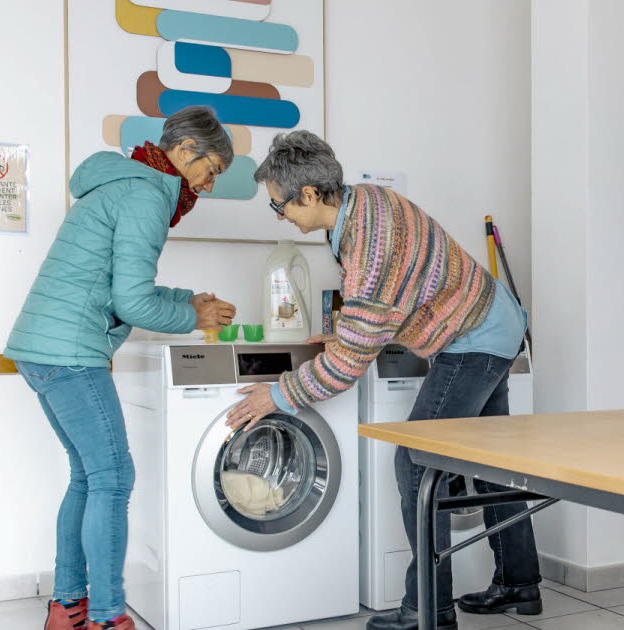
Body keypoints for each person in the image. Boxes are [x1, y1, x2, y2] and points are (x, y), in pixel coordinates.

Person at [229, 131, 540, 630]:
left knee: (417, 464)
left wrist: (279, 394)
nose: (280, 215)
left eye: (279, 205)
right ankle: (519, 584)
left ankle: (429, 610)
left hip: (473, 337)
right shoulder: (366, 202)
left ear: (308, 194)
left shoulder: (369, 246)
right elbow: (387, 304)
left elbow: (347, 367)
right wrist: (345, 334)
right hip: (493, 319)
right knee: (489, 465)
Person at [4, 106, 237, 630]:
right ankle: (109, 618)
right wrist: (192, 317)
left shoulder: (123, 182)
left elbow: (118, 286)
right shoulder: (149, 195)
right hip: (71, 350)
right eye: (212, 169)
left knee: (88, 476)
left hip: (41, 347)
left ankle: (67, 607)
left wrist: (186, 301)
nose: (210, 184)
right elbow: (132, 304)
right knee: (112, 476)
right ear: (185, 150)